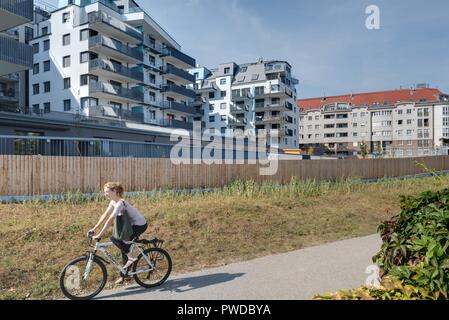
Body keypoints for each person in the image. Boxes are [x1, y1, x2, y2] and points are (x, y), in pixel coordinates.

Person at [88, 182, 148, 284]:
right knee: (124, 248)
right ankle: (126, 275)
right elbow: (105, 215)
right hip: (131, 226)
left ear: (114, 191)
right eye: (104, 192)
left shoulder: (120, 203)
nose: (105, 194)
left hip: (140, 225)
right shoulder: (113, 202)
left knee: (115, 239)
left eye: (107, 191)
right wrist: (94, 228)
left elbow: (110, 220)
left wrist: (100, 235)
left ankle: (130, 258)